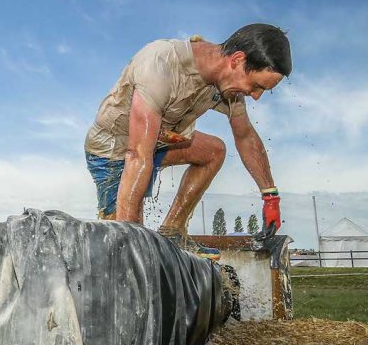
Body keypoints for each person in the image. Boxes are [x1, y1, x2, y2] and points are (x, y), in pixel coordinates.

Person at [84, 24, 289, 260]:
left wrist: (270, 195)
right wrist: (131, 243)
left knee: (214, 151)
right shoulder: (160, 64)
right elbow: (137, 155)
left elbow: (245, 136)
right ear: (237, 60)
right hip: (113, 150)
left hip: (159, 143)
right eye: (256, 86)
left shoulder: (227, 85)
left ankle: (173, 231)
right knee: (129, 239)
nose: (255, 96)